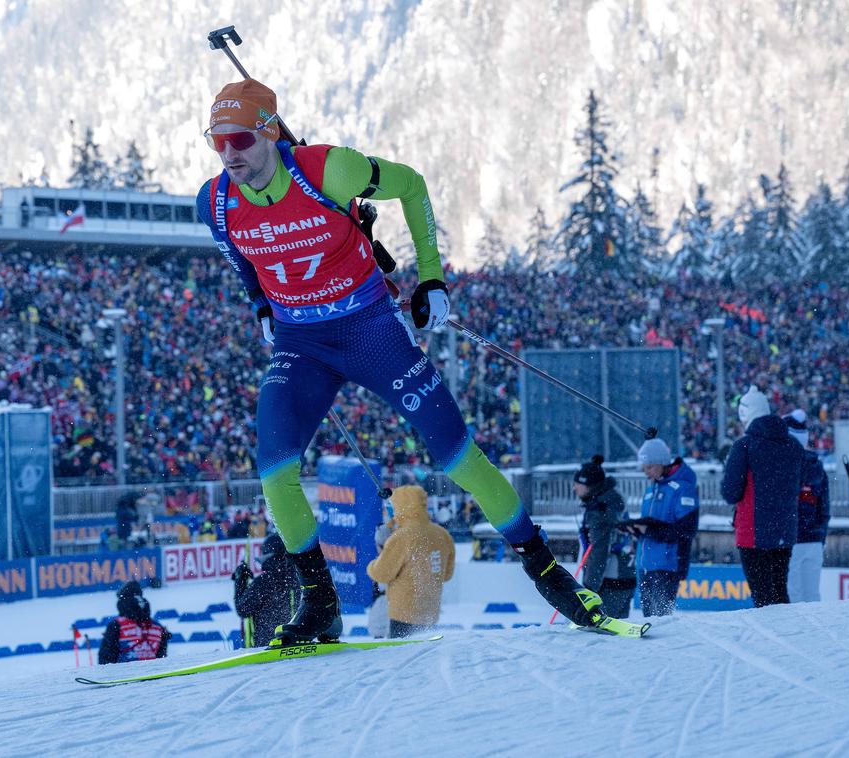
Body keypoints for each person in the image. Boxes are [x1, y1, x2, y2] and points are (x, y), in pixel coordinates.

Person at [197, 78, 604, 643]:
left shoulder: (328, 170)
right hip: (300, 343)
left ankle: (547, 572)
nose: (228, 153)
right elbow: (242, 258)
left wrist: (432, 278)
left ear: (269, 131)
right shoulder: (213, 202)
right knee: (274, 469)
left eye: (239, 138)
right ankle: (320, 605)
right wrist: (261, 304)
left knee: (457, 456)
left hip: (370, 329)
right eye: (216, 142)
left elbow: (412, 186)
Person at [722, 386, 805, 607]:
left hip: (753, 532)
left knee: (762, 596)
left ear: (744, 415)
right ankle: (788, 637)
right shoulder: (793, 445)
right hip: (784, 530)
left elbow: (730, 493)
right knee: (779, 591)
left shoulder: (744, 447)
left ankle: (773, 639)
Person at [623, 438, 700, 617]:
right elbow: (651, 523)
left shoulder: (682, 489)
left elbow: (685, 530)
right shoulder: (651, 491)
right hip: (645, 564)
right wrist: (633, 528)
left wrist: (648, 530)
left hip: (666, 565)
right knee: (649, 619)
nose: (646, 472)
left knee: (661, 620)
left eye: (649, 467)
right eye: (644, 467)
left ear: (662, 463)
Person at [366, 485, 455, 637]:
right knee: (423, 657)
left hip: (403, 613)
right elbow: (446, 574)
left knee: (402, 655)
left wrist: (374, 561)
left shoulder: (401, 537)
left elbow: (381, 574)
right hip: (429, 612)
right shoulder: (442, 534)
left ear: (400, 507)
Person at [573, 455, 636, 618]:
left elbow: (599, 551)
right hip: (627, 575)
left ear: (589, 485)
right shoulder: (612, 500)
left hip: (610, 581)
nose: (574, 489)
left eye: (577, 484)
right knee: (617, 633)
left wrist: (589, 590)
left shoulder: (599, 510)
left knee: (601, 634)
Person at [784, 409, 830, 602]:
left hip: (791, 541)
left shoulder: (784, 467)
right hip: (814, 540)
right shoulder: (817, 467)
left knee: (792, 597)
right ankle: (815, 633)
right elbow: (824, 509)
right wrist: (821, 536)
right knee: (812, 596)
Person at [232, 533, 300, 647]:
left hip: (268, 648)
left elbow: (242, 609)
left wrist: (240, 581)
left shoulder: (265, 581)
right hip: (296, 643)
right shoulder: (298, 577)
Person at [99, 582, 171, 663]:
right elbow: (161, 658)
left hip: (125, 674)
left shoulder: (116, 625)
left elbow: (105, 659)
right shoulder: (158, 627)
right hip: (154, 672)